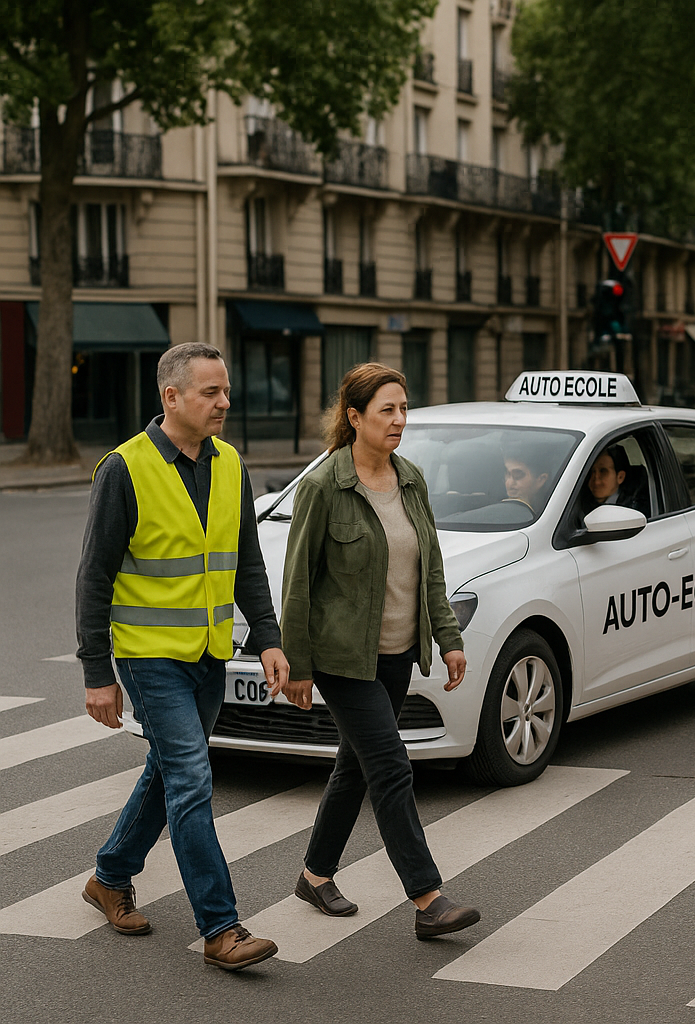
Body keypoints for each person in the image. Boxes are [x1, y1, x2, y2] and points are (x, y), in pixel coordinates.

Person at [75, 341, 285, 970]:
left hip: (208, 652)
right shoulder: (125, 468)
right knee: (192, 778)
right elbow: (95, 576)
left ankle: (109, 877)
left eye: (225, 391)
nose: (225, 402)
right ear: (171, 396)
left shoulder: (230, 464)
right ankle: (221, 927)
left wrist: (269, 637)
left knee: (168, 770)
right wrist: (97, 674)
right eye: (210, 393)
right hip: (148, 655)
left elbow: (246, 561)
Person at [273, 363, 481, 940]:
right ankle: (428, 899)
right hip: (343, 659)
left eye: (404, 408)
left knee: (356, 766)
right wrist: (297, 664)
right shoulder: (324, 487)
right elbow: (298, 583)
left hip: (395, 653)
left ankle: (315, 875)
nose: (399, 420)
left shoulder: (410, 479)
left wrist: (448, 636)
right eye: (387, 410)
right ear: (354, 416)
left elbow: (430, 568)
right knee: (390, 765)